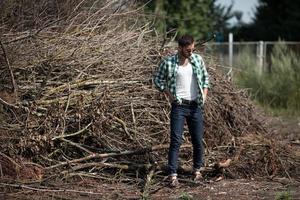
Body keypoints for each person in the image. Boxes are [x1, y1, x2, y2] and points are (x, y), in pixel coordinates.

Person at [153, 35, 209, 187]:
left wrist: (204, 95)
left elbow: (205, 79)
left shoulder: (197, 60)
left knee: (197, 140)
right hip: (179, 105)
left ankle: (197, 171)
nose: (191, 52)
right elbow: (157, 79)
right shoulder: (168, 62)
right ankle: (173, 175)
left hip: (195, 105)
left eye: (192, 49)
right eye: (188, 50)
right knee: (176, 140)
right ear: (180, 48)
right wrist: (168, 93)